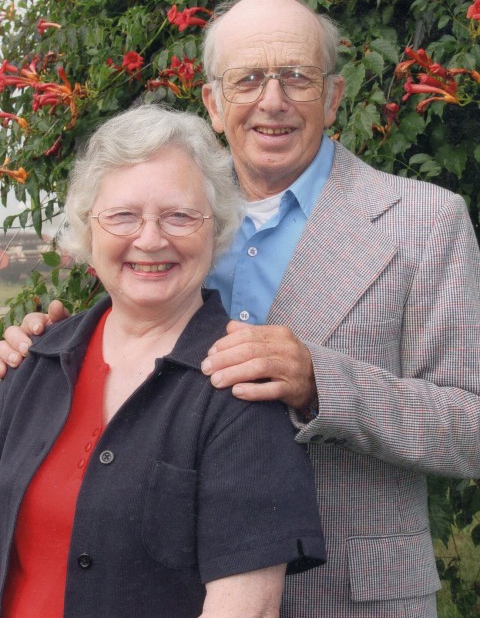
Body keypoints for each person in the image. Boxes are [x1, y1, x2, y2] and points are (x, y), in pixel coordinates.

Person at [2, 0, 480, 616]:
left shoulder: (425, 222)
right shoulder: (179, 215)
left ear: (334, 97)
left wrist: (322, 385)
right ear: (212, 102)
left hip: (350, 598)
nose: (271, 101)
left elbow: (472, 426)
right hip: (176, 591)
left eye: (297, 77)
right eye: (247, 79)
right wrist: (47, 347)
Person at [0, 104, 327, 618]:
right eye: (122, 215)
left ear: (216, 230)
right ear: (88, 228)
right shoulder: (32, 361)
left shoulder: (241, 387)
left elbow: (247, 609)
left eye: (180, 216)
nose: (150, 239)